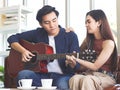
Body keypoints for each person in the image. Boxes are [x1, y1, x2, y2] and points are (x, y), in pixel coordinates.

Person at [7, 5, 80, 89]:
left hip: (62, 76)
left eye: (54, 20)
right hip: (41, 75)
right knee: (23, 75)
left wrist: (72, 63)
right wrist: (23, 51)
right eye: (47, 22)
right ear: (41, 24)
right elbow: (12, 38)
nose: (52, 25)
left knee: (62, 85)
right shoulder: (38, 33)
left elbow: (77, 65)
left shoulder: (70, 36)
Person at [66, 9, 118, 90]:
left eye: (89, 22)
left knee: (87, 80)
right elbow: (78, 58)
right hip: (90, 74)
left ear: (99, 22)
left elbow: (95, 66)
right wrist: (71, 35)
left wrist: (76, 59)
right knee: (74, 79)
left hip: (105, 77)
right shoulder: (88, 41)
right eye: (85, 22)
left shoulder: (108, 43)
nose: (86, 25)